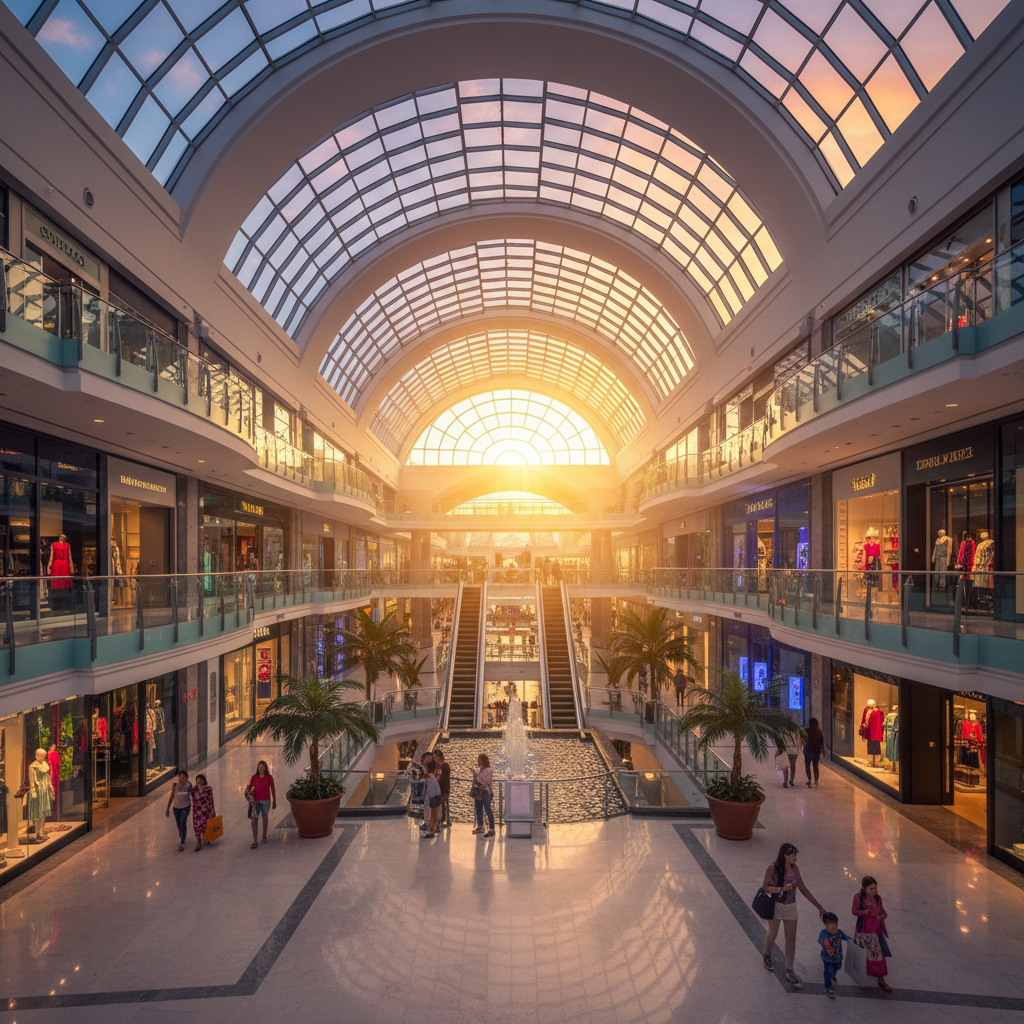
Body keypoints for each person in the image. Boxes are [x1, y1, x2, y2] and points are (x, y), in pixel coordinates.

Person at [760, 842, 826, 988]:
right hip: (775, 906)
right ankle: (767, 954)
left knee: (791, 939)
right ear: (784, 855)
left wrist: (818, 906)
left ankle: (789, 969)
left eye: (795, 855)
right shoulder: (772, 868)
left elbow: (802, 887)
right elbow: (765, 887)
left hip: (791, 907)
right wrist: (781, 889)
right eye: (792, 855)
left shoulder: (795, 869)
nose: (795, 858)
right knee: (772, 933)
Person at [852, 875, 892, 992]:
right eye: (871, 888)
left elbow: (883, 911)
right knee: (864, 955)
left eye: (875, 888)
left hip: (876, 932)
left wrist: (882, 915)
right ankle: (862, 976)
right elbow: (854, 911)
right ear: (864, 888)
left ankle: (881, 979)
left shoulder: (878, 899)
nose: (874, 891)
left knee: (879, 957)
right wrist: (867, 912)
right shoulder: (858, 897)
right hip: (864, 933)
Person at [818, 912, 852, 999]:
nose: (834, 926)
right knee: (829, 972)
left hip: (838, 957)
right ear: (826, 925)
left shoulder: (839, 932)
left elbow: (846, 938)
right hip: (827, 958)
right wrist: (825, 944)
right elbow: (821, 941)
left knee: (838, 967)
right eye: (831, 924)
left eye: (836, 924)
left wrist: (853, 941)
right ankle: (828, 988)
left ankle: (832, 975)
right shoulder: (824, 933)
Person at [245, 760, 277, 849]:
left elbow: (273, 789)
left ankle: (264, 835)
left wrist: (274, 800)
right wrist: (247, 794)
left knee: (265, 817)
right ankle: (255, 840)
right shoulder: (254, 777)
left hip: (266, 800)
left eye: (262, 767)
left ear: (265, 768)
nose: (261, 768)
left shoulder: (269, 777)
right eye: (259, 767)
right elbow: (250, 787)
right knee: (254, 819)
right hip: (256, 801)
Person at [165, 770, 192, 851]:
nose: (180, 778)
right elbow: (172, 796)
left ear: (186, 778)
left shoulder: (189, 785)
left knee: (183, 821)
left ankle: (182, 840)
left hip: (186, 807)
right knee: (179, 823)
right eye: (179, 776)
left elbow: (193, 795)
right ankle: (182, 833)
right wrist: (168, 808)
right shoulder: (175, 785)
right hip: (176, 808)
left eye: (182, 777)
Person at [191, 773, 216, 852]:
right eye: (197, 780)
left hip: (205, 811)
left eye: (200, 780)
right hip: (197, 812)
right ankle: (198, 843)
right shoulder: (194, 790)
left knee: (205, 826)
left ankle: (206, 837)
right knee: (197, 827)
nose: (199, 782)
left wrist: (212, 811)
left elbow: (211, 800)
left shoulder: (207, 789)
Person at [472, 753, 495, 837]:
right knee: (478, 808)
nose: (479, 762)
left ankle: (492, 828)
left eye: (480, 760)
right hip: (479, 792)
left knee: (488, 809)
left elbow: (485, 781)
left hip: (485, 792)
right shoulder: (481, 770)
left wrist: (477, 776)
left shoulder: (488, 770)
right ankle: (480, 826)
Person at [803, 717, 825, 787]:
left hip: (808, 750)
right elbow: (822, 743)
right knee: (815, 766)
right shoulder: (819, 732)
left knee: (807, 765)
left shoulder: (807, 731)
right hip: (816, 751)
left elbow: (803, 739)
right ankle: (816, 780)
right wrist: (823, 751)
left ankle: (809, 780)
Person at [422, 764, 441, 839]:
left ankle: (431, 828)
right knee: (434, 812)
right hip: (436, 796)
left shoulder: (429, 778)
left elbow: (429, 790)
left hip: (432, 797)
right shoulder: (432, 778)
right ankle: (434, 828)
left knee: (432, 813)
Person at [435, 749, 451, 829]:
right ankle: (446, 820)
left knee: (443, 804)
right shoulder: (444, 766)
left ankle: (444, 820)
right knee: (444, 804)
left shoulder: (444, 767)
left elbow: (442, 779)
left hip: (443, 789)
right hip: (444, 788)